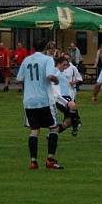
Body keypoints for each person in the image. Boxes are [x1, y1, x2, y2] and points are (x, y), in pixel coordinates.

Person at [17, 39, 63, 170]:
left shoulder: (26, 60)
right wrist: (56, 80)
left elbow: (19, 78)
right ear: (46, 48)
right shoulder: (47, 59)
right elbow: (50, 76)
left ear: (32, 47)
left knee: (34, 130)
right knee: (53, 128)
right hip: (44, 99)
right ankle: (50, 160)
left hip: (29, 100)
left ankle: (33, 161)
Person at [51, 55, 82, 136]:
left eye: (66, 65)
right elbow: (51, 78)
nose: (65, 67)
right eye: (64, 65)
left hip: (67, 96)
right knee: (72, 105)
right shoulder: (54, 71)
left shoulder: (63, 73)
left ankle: (53, 133)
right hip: (59, 98)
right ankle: (75, 125)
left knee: (68, 121)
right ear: (58, 64)